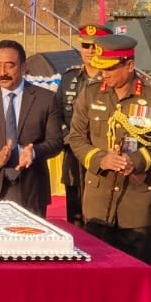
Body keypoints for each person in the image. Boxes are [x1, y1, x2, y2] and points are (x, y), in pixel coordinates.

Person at [66, 34, 151, 261]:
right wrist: (100, 159)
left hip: (135, 204)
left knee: (135, 269)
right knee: (97, 272)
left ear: (129, 65)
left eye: (110, 68)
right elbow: (76, 138)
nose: (104, 74)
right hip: (97, 202)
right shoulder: (90, 94)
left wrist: (136, 161)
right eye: (102, 68)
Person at [0, 39, 63, 214]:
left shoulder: (45, 99)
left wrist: (33, 152)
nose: (2, 73)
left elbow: (55, 142)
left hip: (32, 189)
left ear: (23, 67)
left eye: (10, 66)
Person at [57, 23, 112, 225]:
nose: (89, 51)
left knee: (99, 220)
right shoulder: (68, 78)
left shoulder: (112, 79)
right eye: (85, 46)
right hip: (73, 156)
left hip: (102, 157)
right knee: (75, 218)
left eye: (94, 46)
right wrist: (71, 139)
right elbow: (56, 116)